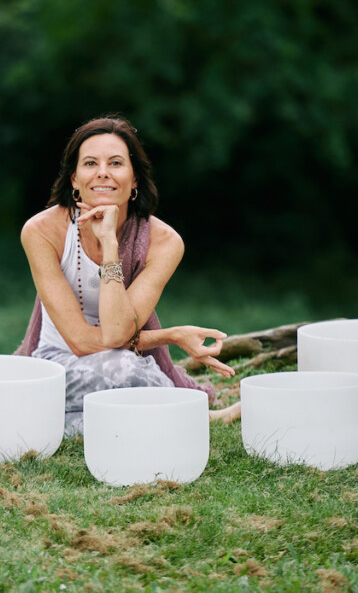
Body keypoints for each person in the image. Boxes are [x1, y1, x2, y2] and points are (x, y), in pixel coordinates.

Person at [13, 115, 242, 435]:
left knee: (123, 370)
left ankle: (58, 424)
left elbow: (118, 331)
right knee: (127, 369)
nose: (103, 172)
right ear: (74, 180)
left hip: (120, 354)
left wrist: (109, 243)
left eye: (116, 163)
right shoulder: (43, 231)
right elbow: (80, 342)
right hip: (55, 365)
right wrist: (170, 335)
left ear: (134, 180)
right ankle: (191, 416)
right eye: (90, 163)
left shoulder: (164, 242)